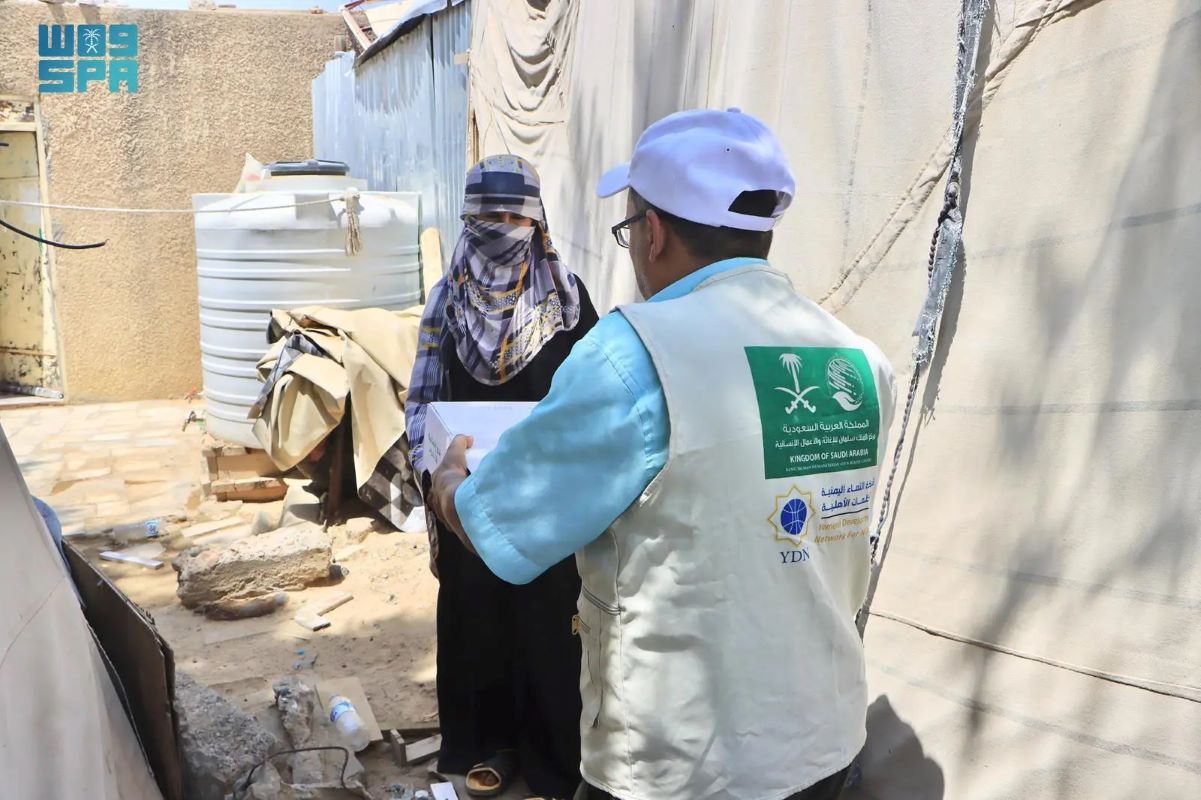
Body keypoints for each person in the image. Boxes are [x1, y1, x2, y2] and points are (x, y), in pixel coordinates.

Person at [427, 109, 897, 800]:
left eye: (627, 229)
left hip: (682, 765)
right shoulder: (857, 358)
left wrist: (447, 486)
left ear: (650, 232)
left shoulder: (634, 355)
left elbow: (499, 527)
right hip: (820, 743)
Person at [406, 154, 599, 800]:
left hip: (548, 509)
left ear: (537, 220)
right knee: (477, 624)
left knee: (549, 630)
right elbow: (423, 405)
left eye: (515, 215)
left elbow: (592, 402)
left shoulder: (568, 304)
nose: (502, 227)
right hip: (470, 504)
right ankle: (486, 746)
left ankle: (550, 760)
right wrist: (437, 466)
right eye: (488, 216)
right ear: (468, 218)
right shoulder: (446, 303)